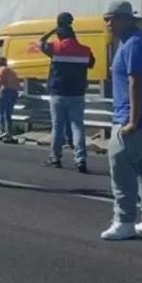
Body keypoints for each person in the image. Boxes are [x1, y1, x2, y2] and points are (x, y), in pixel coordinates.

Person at [100, 1, 142, 240]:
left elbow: (136, 84)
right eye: (106, 18)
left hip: (134, 120)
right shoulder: (129, 43)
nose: (109, 23)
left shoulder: (135, 45)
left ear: (128, 19)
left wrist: (132, 121)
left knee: (121, 169)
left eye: (114, 18)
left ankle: (124, 221)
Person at [39, 16, 95, 173]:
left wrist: (52, 29)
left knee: (57, 126)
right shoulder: (85, 50)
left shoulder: (55, 47)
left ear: (59, 35)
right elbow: (91, 64)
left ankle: (55, 158)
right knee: (77, 126)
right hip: (77, 93)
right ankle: (81, 159)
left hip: (58, 92)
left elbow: (40, 42)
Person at [0, 57, 20, 141]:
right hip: (14, 92)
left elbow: (0, 80)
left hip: (5, 91)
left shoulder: (1, 69)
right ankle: (9, 132)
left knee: (0, 113)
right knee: (8, 114)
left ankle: (1, 131)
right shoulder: (12, 71)